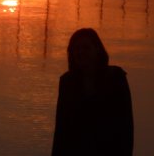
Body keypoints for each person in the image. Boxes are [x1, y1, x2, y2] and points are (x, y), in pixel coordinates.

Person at [52, 28, 134, 156]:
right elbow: (61, 129)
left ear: (97, 50)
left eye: (86, 48)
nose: (81, 52)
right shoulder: (67, 82)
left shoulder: (116, 77)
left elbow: (126, 125)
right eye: (77, 48)